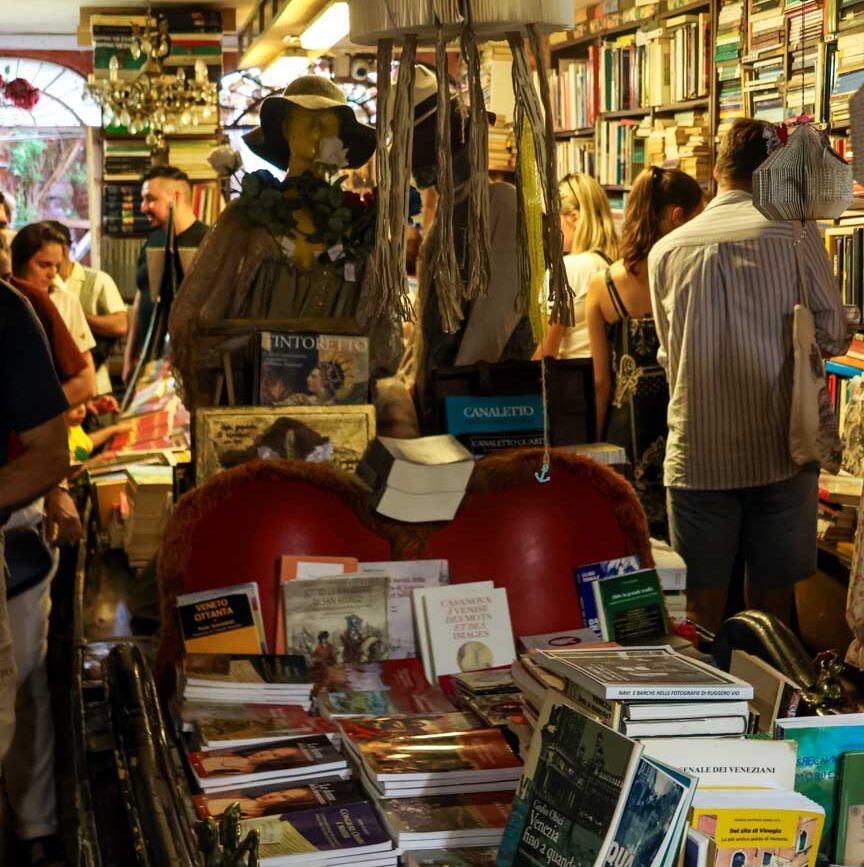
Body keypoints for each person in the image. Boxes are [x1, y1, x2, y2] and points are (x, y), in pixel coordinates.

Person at [648, 118, 849, 632]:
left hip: (697, 450)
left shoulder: (666, 251)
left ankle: (701, 707)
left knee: (698, 610)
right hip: (780, 443)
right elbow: (831, 333)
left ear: (717, 171)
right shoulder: (798, 233)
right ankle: (764, 705)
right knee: (770, 612)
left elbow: (670, 356)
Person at [169, 75, 400, 413]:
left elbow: (379, 326)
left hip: (333, 404)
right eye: (306, 121)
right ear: (285, 130)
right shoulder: (246, 216)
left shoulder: (358, 222)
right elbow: (198, 307)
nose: (317, 131)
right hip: (252, 397)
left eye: (327, 123)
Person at [409, 65, 534, 433]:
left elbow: (495, 318)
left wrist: (457, 394)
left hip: (482, 400)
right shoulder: (450, 213)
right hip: (446, 392)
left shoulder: (502, 204)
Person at [586, 167, 704, 539]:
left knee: (630, 537)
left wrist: (592, 445)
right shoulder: (690, 274)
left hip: (627, 431)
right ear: (677, 216)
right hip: (681, 423)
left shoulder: (603, 285)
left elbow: (601, 381)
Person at [0, 282, 70, 771]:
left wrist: (55, 491)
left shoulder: (9, 311)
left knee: (23, 689)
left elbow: (50, 453)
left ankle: (34, 829)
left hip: (14, 528)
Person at [124, 165, 209, 384]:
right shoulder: (153, 241)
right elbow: (141, 296)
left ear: (176, 197)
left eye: (150, 199)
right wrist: (129, 356)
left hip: (187, 368)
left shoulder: (209, 243)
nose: (143, 207)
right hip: (148, 361)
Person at [9, 223, 97, 406]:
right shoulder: (9, 300)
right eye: (44, 265)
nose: (52, 274)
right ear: (19, 263)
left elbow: (86, 380)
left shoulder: (66, 301)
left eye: (56, 266)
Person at [533, 173, 619, 359]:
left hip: (569, 383)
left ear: (575, 217)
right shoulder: (615, 265)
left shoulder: (567, 271)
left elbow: (544, 356)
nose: (550, 229)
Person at [45, 220, 128, 396]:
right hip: (58, 388)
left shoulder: (98, 280)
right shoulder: (42, 285)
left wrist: (79, 317)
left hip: (97, 387)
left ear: (65, 250)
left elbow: (120, 325)